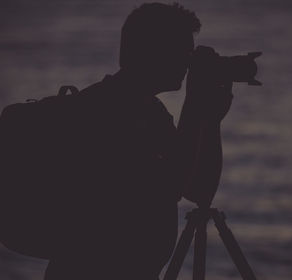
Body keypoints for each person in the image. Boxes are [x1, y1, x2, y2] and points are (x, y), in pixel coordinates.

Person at [44, 3, 233, 280]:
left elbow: (199, 190)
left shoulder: (151, 112)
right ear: (154, 51)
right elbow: (171, 184)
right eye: (184, 52)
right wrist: (193, 103)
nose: (187, 63)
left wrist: (210, 120)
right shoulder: (105, 109)